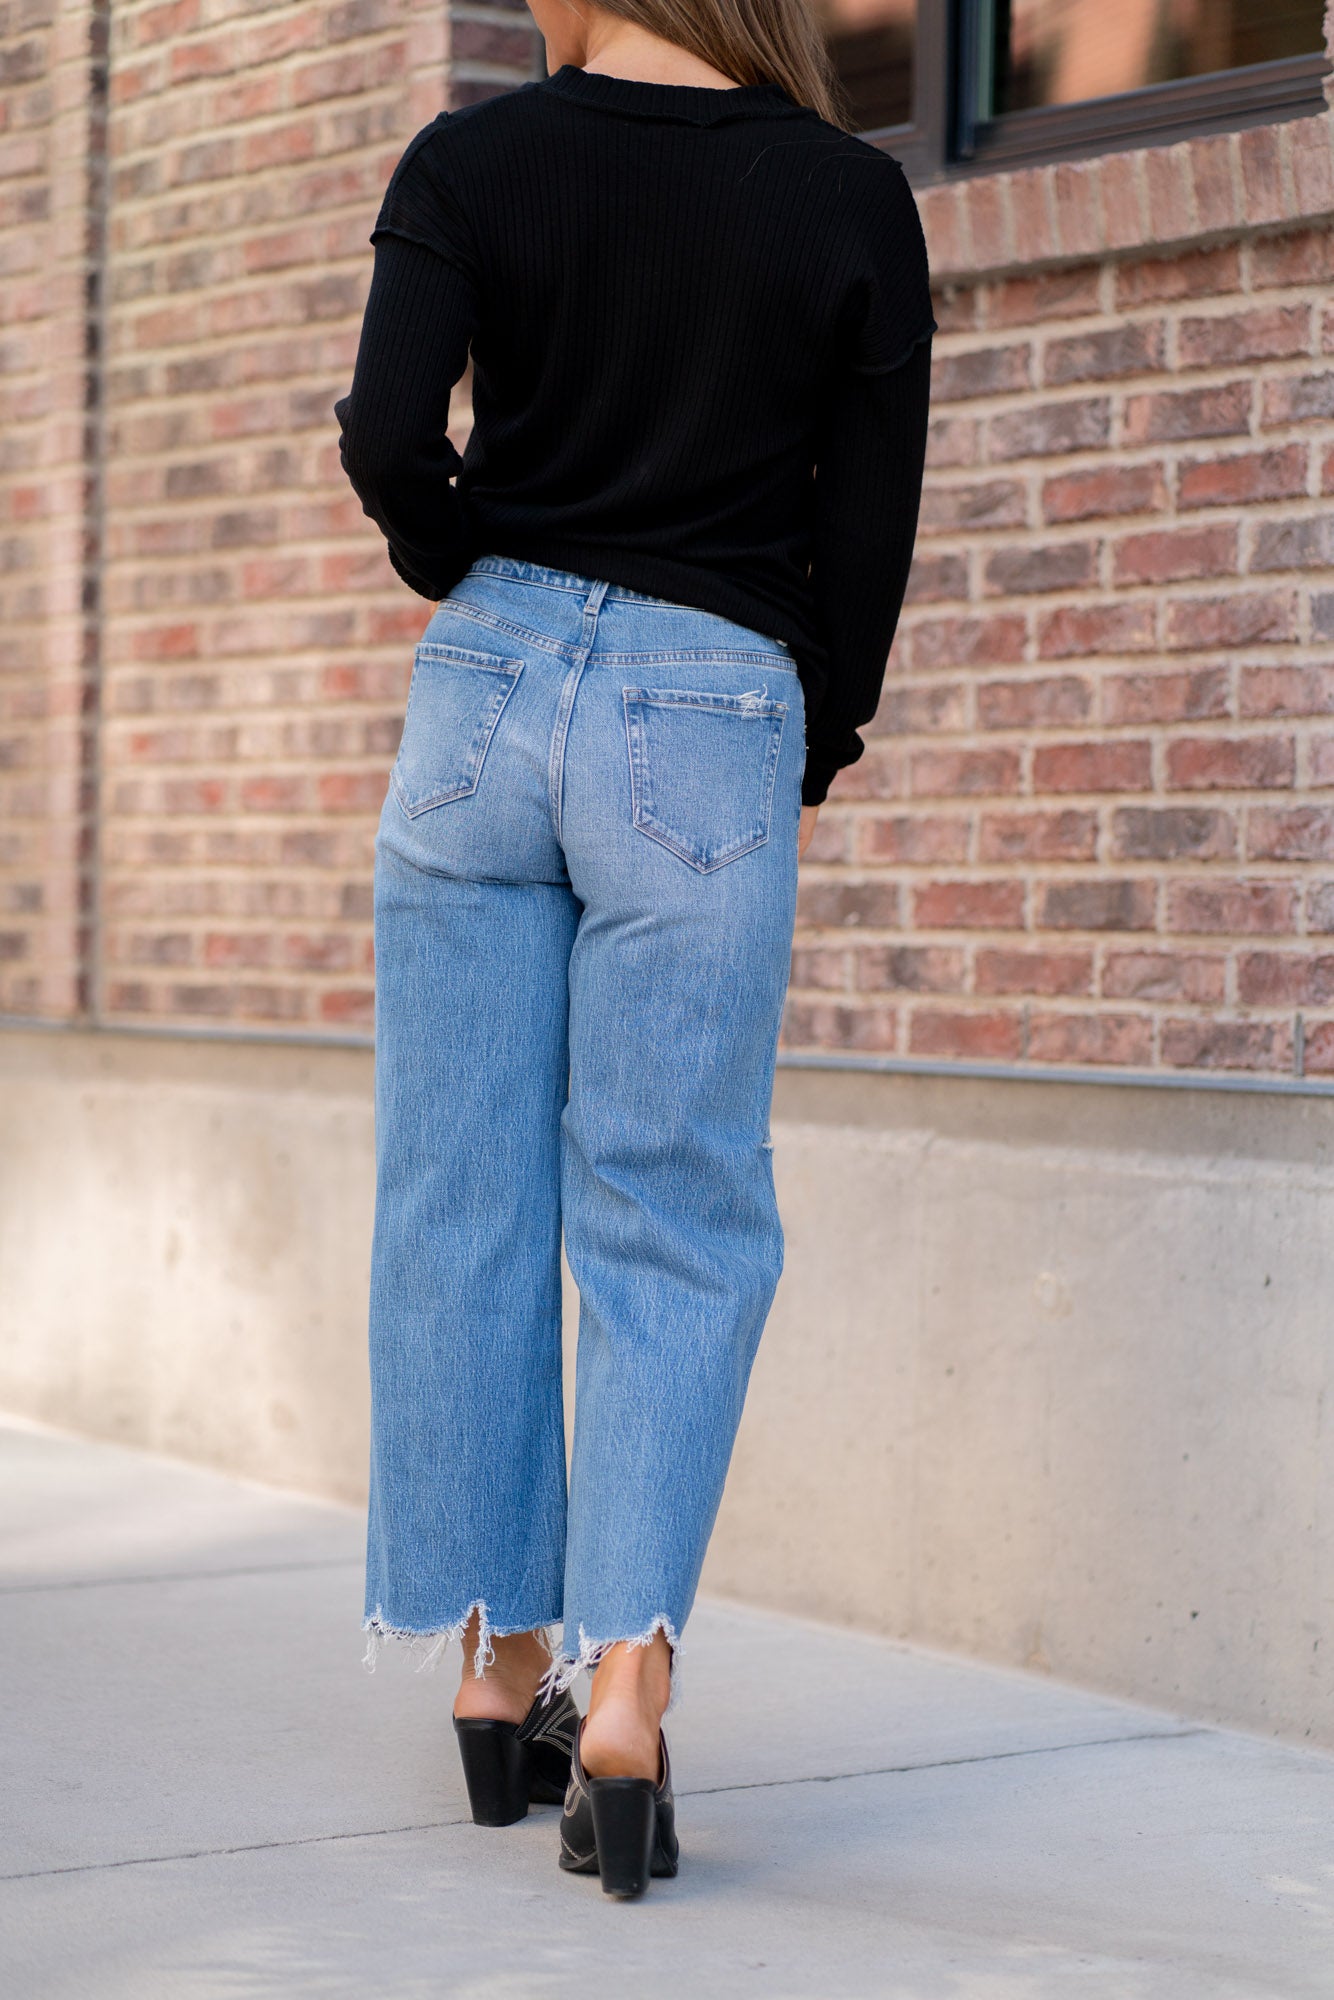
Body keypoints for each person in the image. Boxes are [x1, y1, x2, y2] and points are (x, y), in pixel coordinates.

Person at [334, 0, 934, 1900]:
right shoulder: (844, 191)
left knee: (457, 1191)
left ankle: (491, 1658)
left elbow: (384, 433)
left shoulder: (475, 155)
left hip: (484, 690)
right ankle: (624, 1705)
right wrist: (814, 736)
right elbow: (869, 522)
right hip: (709, 705)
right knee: (673, 1204)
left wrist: (477, 573)